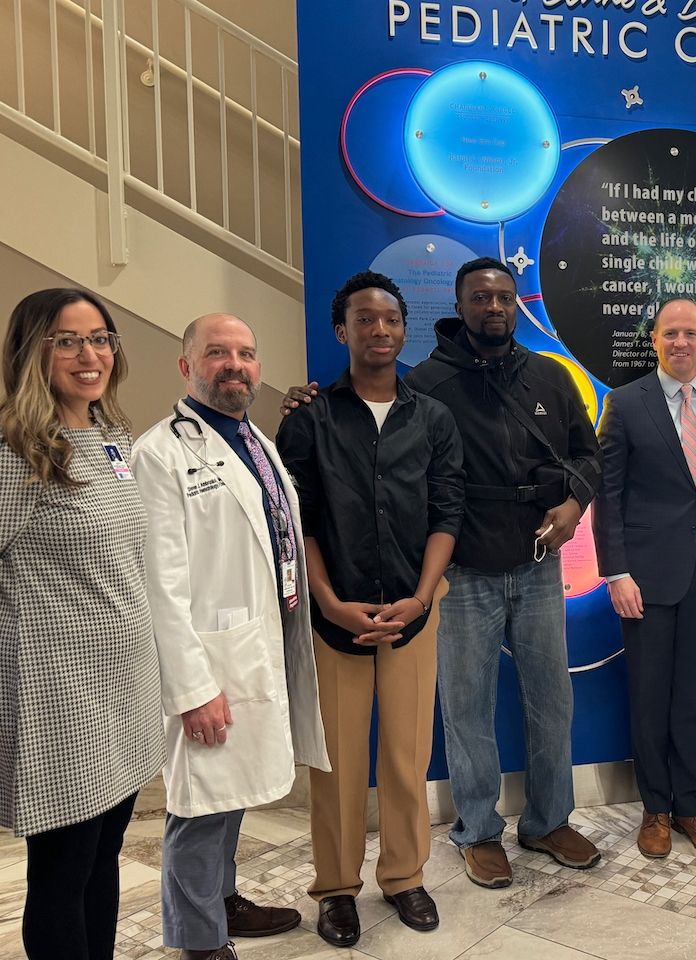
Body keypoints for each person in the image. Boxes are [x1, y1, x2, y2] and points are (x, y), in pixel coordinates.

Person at [284, 258, 602, 889]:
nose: (494, 308)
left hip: (539, 564)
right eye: (481, 298)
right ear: (458, 308)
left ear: (517, 305)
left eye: (505, 297)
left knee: (552, 700)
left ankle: (547, 820)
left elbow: (587, 452)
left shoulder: (551, 376)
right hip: (459, 569)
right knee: (465, 707)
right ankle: (478, 830)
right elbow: (420, 487)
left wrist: (573, 504)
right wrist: (305, 399)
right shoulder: (426, 386)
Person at [276, 272, 465, 947]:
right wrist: (328, 601)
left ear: (403, 328)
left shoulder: (433, 418)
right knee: (337, 763)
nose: (379, 330)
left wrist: (421, 594)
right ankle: (335, 888)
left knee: (406, 755)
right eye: (364, 319)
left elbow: (448, 510)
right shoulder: (308, 419)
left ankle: (405, 875)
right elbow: (300, 521)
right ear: (341, 330)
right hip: (336, 617)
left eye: (390, 319)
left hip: (414, 610)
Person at [132, 314, 329, 960]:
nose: (234, 365)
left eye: (245, 353)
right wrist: (192, 687)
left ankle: (223, 898)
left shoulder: (257, 440)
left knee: (235, 790)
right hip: (211, 658)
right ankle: (197, 936)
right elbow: (161, 582)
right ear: (187, 366)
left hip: (259, 641)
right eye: (217, 353)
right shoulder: (160, 453)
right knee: (201, 803)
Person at [0, 289, 165, 960]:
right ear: (32, 352)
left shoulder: (112, 438)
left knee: (105, 860)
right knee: (62, 877)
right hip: (61, 698)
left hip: (124, 690)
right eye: (66, 340)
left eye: (100, 338)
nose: (89, 354)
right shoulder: (17, 451)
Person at [593, 298, 696, 860]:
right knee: (651, 696)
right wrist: (616, 571)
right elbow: (607, 493)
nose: (680, 342)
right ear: (654, 339)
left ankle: (692, 808)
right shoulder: (625, 403)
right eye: (669, 334)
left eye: (690, 333)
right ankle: (655, 810)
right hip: (646, 578)